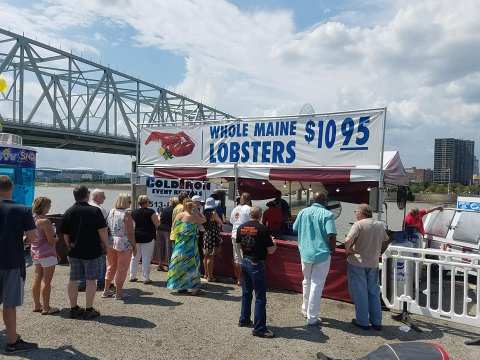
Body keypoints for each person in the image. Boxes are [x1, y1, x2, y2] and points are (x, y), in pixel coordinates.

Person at [0, 176, 38, 353]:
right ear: (11, 188)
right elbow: (32, 238)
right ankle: (13, 342)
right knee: (9, 303)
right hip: (12, 261)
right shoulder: (22, 209)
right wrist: (20, 239)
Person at [61, 185, 108, 320]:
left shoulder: (69, 211)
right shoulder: (95, 211)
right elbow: (102, 230)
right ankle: (89, 308)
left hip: (74, 251)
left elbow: (65, 233)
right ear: (86, 195)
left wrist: (68, 245)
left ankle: (73, 308)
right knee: (91, 280)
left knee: (73, 279)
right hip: (92, 251)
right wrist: (106, 245)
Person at [293, 191, 337, 327]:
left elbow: (295, 228)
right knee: (316, 284)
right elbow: (332, 235)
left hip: (305, 252)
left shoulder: (302, 212)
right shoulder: (328, 214)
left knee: (306, 281)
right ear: (325, 201)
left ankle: (305, 309)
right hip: (321, 253)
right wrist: (332, 250)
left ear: (312, 200)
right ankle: (312, 317)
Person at [344, 204, 390, 331]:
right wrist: (379, 251)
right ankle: (377, 321)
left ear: (361, 212)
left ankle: (363, 321)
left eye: (356, 211)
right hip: (373, 262)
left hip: (358, 262)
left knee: (360, 292)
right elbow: (386, 240)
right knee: (374, 292)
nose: (355, 213)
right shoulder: (380, 224)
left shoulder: (358, 224)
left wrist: (348, 251)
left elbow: (348, 240)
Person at [237, 206, 276, 338]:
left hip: (245, 261)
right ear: (260, 216)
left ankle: (244, 319)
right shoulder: (263, 229)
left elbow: (237, 245)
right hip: (256, 263)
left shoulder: (240, 227)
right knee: (260, 297)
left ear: (249, 215)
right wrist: (274, 243)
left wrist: (241, 258)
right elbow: (271, 250)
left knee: (246, 292)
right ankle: (259, 328)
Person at [167, 198, 206, 295]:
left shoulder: (180, 215)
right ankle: (192, 288)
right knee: (191, 265)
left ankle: (181, 286)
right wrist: (197, 211)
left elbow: (173, 227)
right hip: (189, 244)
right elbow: (204, 220)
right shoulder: (193, 216)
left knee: (180, 265)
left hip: (181, 243)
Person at [104, 194, 136, 300]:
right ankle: (118, 293)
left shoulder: (111, 211)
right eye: (129, 201)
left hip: (111, 241)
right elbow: (131, 233)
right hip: (124, 242)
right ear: (125, 202)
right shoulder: (126, 214)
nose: (130, 203)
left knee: (111, 266)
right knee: (121, 268)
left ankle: (106, 290)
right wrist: (134, 246)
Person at [31, 197, 60, 315]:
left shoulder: (32, 219)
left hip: (35, 252)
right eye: (48, 206)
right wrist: (56, 238)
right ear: (44, 207)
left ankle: (37, 304)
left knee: (37, 279)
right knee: (47, 282)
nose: (50, 208)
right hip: (47, 253)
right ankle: (46, 307)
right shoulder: (45, 221)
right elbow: (51, 241)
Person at [130, 195, 159, 284]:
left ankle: (132, 276)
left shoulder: (133, 212)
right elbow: (157, 224)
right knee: (146, 257)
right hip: (148, 236)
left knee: (135, 256)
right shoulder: (151, 212)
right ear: (146, 202)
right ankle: (145, 278)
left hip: (137, 236)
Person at [88, 189, 108, 291]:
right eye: (103, 196)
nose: (105, 198)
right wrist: (105, 242)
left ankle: (82, 283)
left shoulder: (86, 206)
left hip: (86, 238)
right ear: (96, 197)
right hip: (98, 238)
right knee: (101, 261)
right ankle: (101, 282)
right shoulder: (100, 209)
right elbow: (104, 227)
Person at [230, 192, 252, 285]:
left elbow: (231, 221)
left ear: (241, 199)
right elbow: (254, 222)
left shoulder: (235, 209)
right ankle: (245, 279)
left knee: (237, 258)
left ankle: (239, 279)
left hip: (234, 234)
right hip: (244, 235)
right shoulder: (249, 209)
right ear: (249, 200)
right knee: (245, 258)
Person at [203, 197, 223, 282]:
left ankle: (206, 274)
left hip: (206, 234)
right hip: (212, 235)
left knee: (206, 255)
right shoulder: (213, 212)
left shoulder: (204, 212)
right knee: (211, 256)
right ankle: (210, 276)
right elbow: (220, 222)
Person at [157, 197, 178, 271]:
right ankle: (169, 265)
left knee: (160, 248)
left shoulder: (164, 209)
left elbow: (160, 218)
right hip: (168, 230)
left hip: (160, 229)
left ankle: (160, 264)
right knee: (168, 248)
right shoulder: (175, 210)